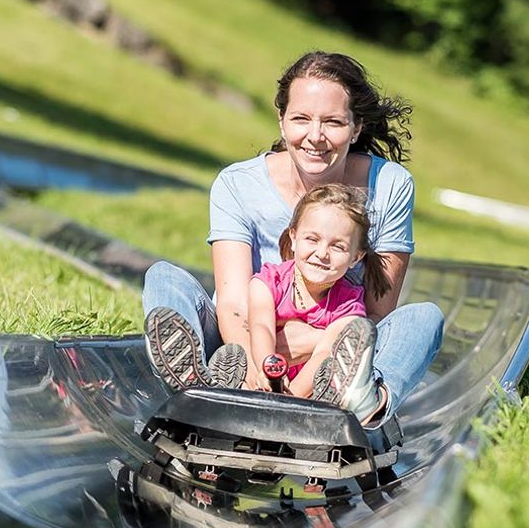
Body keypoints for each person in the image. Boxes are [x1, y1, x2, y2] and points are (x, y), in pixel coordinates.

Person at [141, 51, 445, 422]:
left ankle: (366, 400)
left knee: (425, 318)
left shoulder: (390, 185)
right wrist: (256, 366)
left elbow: (377, 312)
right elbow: (234, 303)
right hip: (239, 341)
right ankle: (202, 384)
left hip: (338, 351)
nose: (315, 136)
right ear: (282, 122)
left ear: (356, 128)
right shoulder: (238, 184)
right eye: (301, 119)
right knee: (163, 277)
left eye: (333, 122)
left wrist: (319, 345)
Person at [216, 183, 383, 411]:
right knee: (239, 366)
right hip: (264, 377)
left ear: (356, 257)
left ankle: (310, 405)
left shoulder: (348, 305)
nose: (322, 253)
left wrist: (288, 400)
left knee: (331, 371)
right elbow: (261, 327)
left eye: (338, 247)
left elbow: (324, 352)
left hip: (305, 395)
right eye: (312, 239)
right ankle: (220, 385)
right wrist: (268, 372)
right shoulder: (268, 283)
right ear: (293, 238)